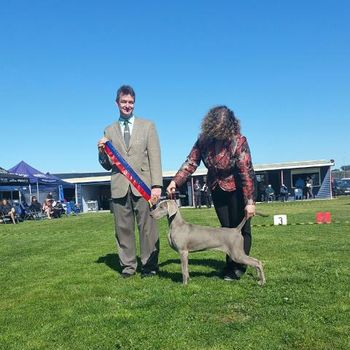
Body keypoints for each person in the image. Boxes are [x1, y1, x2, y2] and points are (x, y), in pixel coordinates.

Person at [167, 105, 256, 281]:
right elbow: (191, 162)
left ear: (230, 126)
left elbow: (245, 172)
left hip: (240, 188)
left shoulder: (238, 142)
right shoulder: (203, 140)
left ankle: (238, 267)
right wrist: (175, 181)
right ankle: (230, 264)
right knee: (225, 229)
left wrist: (250, 201)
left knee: (240, 228)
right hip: (217, 188)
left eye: (222, 130)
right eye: (216, 129)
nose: (219, 133)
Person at [97, 85, 162, 279]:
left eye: (131, 102)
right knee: (123, 229)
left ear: (134, 103)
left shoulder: (148, 125)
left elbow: (155, 156)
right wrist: (101, 152)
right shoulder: (108, 130)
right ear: (117, 103)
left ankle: (149, 266)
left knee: (148, 229)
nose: (127, 105)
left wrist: (156, 185)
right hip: (119, 187)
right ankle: (128, 267)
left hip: (143, 186)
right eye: (124, 102)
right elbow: (107, 165)